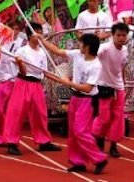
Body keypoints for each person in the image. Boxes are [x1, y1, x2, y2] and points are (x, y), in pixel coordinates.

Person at [38, 33, 108, 174]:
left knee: (81, 131)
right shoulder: (77, 54)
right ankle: (78, 162)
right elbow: (57, 50)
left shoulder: (96, 65)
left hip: (87, 101)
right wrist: (42, 40)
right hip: (75, 98)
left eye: (81, 43)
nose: (79, 45)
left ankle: (99, 158)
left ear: (87, 47)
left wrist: (68, 83)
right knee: (73, 132)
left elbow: (88, 88)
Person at [3, 22, 61, 156]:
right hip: (23, 83)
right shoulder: (22, 51)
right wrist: (19, 63)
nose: (39, 35)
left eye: (40, 32)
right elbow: (23, 72)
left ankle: (44, 141)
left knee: (40, 113)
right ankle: (11, 142)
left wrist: (62, 80)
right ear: (29, 35)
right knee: (16, 113)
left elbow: (44, 72)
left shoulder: (42, 52)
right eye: (36, 32)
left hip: (37, 85)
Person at [91, 22, 129, 158]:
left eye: (124, 35)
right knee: (104, 117)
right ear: (112, 35)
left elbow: (121, 67)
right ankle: (98, 140)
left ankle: (113, 145)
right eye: (118, 35)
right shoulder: (105, 48)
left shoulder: (125, 50)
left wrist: (124, 83)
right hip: (104, 86)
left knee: (118, 118)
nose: (121, 38)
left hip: (118, 87)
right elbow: (93, 55)